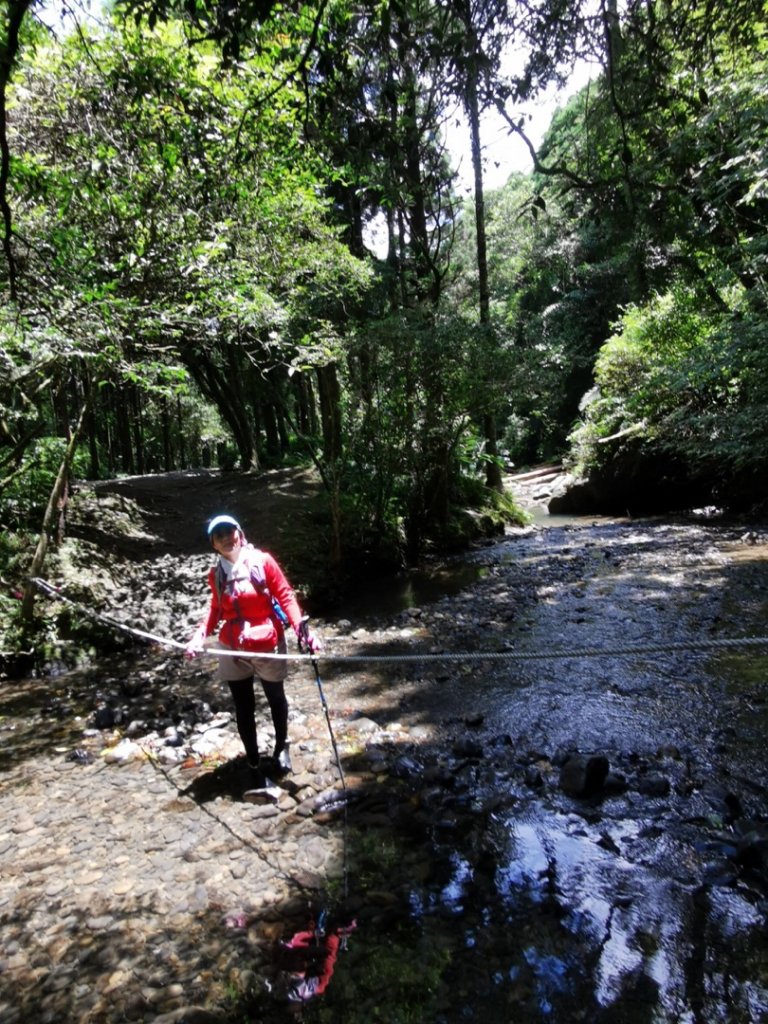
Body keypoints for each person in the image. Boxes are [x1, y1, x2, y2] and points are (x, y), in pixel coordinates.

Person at [185, 514, 320, 787]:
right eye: (218, 535)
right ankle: (253, 762)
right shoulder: (217, 574)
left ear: (240, 533)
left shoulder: (263, 561)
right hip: (232, 649)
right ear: (213, 543)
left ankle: (282, 745)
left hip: (267, 643)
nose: (225, 538)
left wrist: (303, 631)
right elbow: (215, 610)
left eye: (228, 532)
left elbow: (285, 595)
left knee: (275, 696)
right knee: (243, 707)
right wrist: (199, 636)